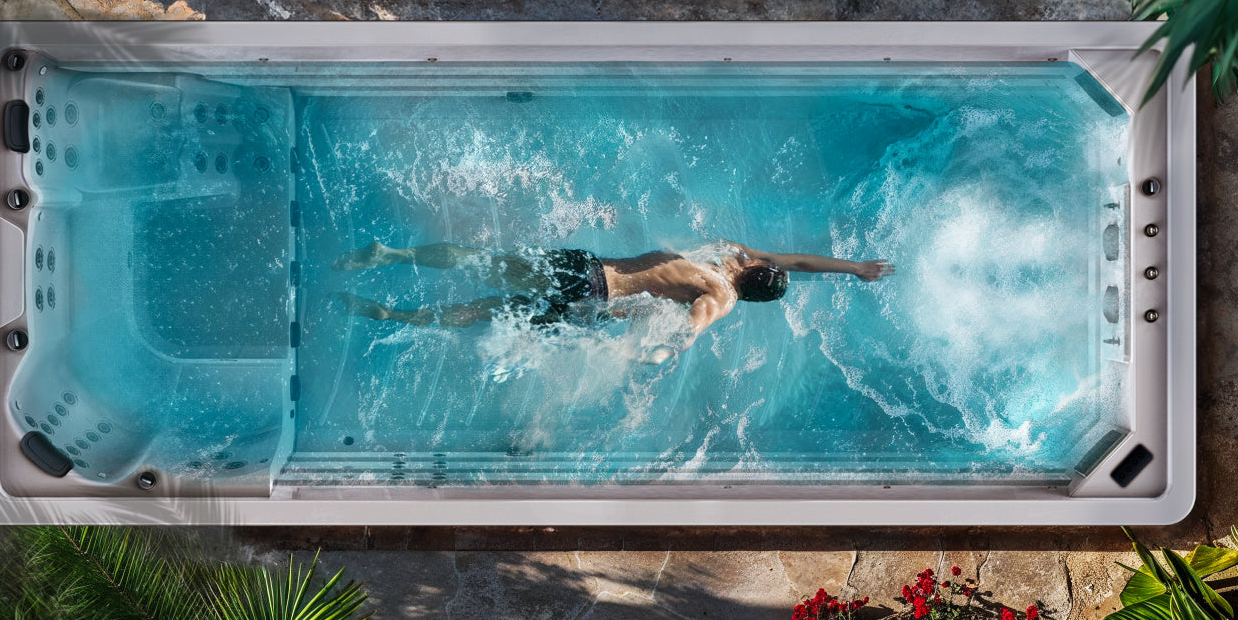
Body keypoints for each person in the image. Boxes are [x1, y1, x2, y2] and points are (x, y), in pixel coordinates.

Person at [331, 240, 893, 360]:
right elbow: (794, 263)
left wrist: (664, 351)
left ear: (753, 272)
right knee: (487, 309)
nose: (763, 256)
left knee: (484, 260)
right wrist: (853, 268)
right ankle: (396, 314)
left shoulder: (722, 283)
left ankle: (392, 255)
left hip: (587, 270)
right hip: (592, 297)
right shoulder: (731, 269)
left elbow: (692, 326)